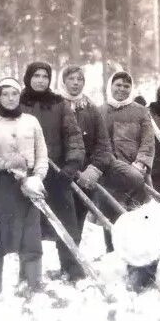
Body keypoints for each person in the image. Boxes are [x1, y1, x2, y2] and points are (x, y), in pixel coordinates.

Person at [0, 78, 49, 296]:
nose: (10, 98)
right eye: (5, 94)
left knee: (30, 239)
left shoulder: (31, 121)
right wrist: (5, 163)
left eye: (14, 94)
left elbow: (42, 155)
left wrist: (37, 177)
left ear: (20, 96)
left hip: (27, 187)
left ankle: (33, 288)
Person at [19, 62, 86, 282]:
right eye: (36, 76)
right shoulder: (18, 103)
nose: (40, 80)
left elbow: (74, 137)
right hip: (27, 174)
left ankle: (72, 268)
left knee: (66, 221)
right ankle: (28, 272)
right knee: (28, 225)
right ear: (28, 78)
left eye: (44, 76)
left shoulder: (59, 104)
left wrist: (72, 164)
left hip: (57, 172)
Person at [98, 71, 156, 237]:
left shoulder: (141, 111)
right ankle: (112, 253)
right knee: (111, 216)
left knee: (138, 214)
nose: (122, 89)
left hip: (136, 171)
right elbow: (98, 141)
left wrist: (141, 163)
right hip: (109, 172)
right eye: (118, 85)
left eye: (126, 86)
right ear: (110, 86)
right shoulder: (100, 111)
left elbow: (148, 141)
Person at [59, 65, 114, 236]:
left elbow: (103, 144)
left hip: (85, 175)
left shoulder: (91, 108)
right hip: (61, 172)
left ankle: (73, 260)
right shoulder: (55, 105)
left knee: (78, 219)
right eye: (71, 79)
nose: (76, 83)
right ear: (63, 81)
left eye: (80, 79)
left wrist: (93, 170)